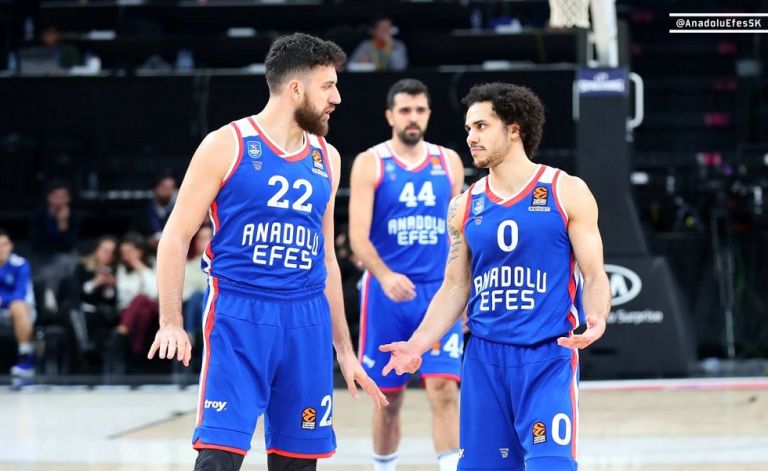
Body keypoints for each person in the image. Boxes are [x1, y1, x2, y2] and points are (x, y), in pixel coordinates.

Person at [147, 32, 386, 471]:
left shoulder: (328, 157)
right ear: (296, 88)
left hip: (307, 318)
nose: (337, 98)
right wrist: (170, 321)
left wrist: (345, 350)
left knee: (299, 461)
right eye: (328, 86)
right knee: (218, 456)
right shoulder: (226, 144)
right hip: (240, 313)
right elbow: (175, 236)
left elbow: (327, 259)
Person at [380, 82, 611, 471]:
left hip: (547, 356)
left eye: (482, 126)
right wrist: (417, 344)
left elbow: (594, 274)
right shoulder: (463, 205)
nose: (471, 137)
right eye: (469, 128)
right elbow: (455, 286)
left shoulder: (566, 191)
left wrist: (597, 317)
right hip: (484, 361)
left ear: (514, 128)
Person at [348, 78, 465, 471]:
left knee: (444, 390)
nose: (412, 117)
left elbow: (459, 233)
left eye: (419, 110)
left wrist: (464, 293)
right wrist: (384, 275)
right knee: (388, 397)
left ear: (428, 114)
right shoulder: (370, 162)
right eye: (405, 111)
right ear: (390, 116)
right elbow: (357, 237)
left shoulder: (448, 161)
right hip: (387, 295)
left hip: (438, 293)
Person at [0, 228, 37, 387]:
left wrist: (2, 300)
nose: (1, 249)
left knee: (17, 306)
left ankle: (25, 357)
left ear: (11, 245)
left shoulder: (21, 264)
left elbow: (20, 294)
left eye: (4, 245)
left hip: (23, 310)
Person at [135, 175, 177, 251]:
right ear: (155, 189)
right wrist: (146, 241)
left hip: (172, 251)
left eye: (171, 188)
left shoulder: (177, 212)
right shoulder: (141, 211)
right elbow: (133, 235)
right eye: (164, 187)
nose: (167, 191)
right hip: (146, 252)